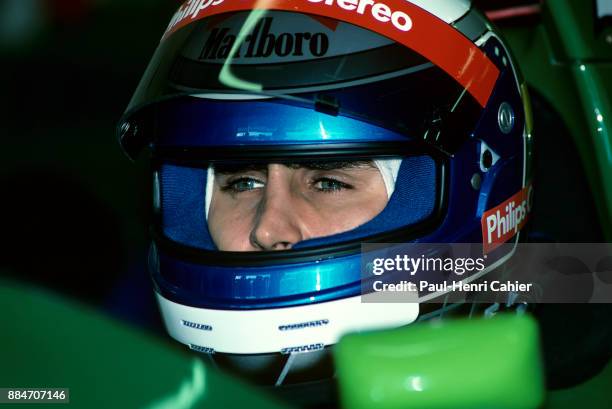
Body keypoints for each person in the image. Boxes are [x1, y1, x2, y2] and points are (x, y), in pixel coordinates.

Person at [118, 0, 532, 399]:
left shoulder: (586, 284)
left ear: (477, 189)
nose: (267, 229)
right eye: (242, 182)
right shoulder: (120, 357)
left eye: (329, 183)